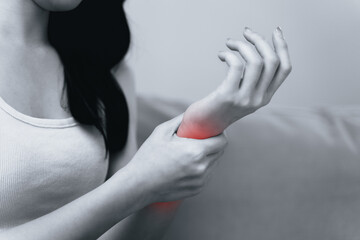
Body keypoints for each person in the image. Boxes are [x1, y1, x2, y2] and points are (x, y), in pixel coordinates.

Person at [0, 0, 292, 239]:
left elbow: (134, 237)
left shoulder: (102, 68)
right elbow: (136, 185)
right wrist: (138, 182)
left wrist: (196, 130)